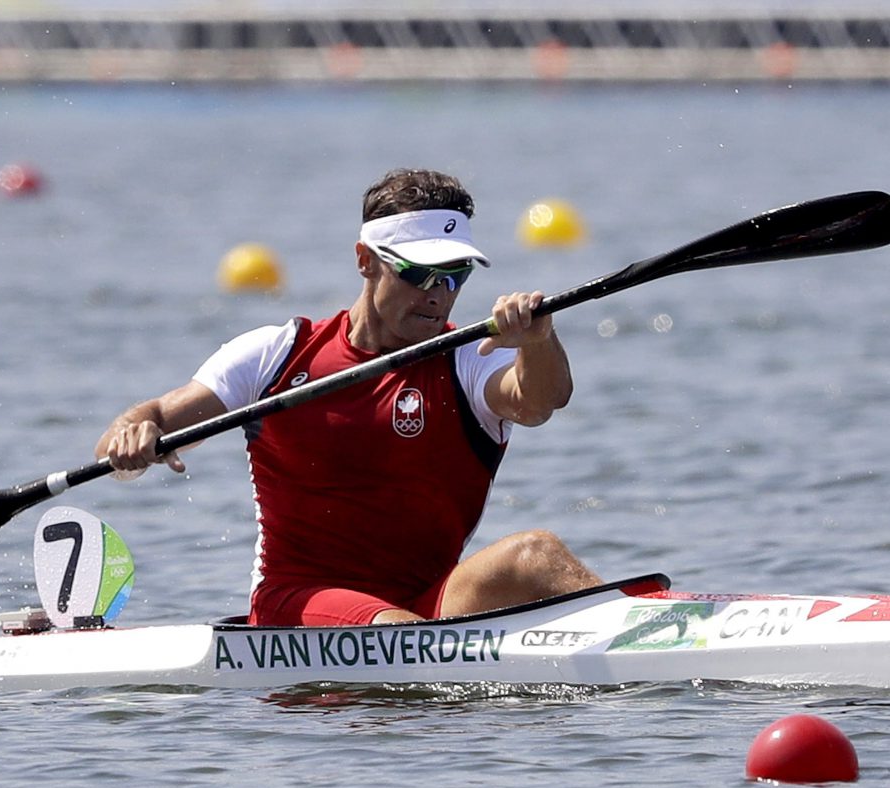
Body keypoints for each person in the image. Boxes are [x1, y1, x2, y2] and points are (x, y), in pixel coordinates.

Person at [97, 168, 602, 627]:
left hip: (426, 603)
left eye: (455, 275)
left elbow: (538, 402)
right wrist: (132, 439)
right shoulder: (276, 354)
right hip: (296, 601)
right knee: (396, 628)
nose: (438, 293)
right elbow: (152, 421)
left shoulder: (469, 357)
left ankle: (659, 629)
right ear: (365, 261)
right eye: (417, 273)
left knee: (535, 553)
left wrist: (538, 342)